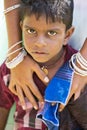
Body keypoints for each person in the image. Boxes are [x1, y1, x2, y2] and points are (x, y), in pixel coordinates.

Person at [0, 0, 87, 129]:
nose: (39, 43)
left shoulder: (79, 72)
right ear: (21, 27)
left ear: (67, 35)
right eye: (31, 31)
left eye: (51, 33)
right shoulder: (12, 69)